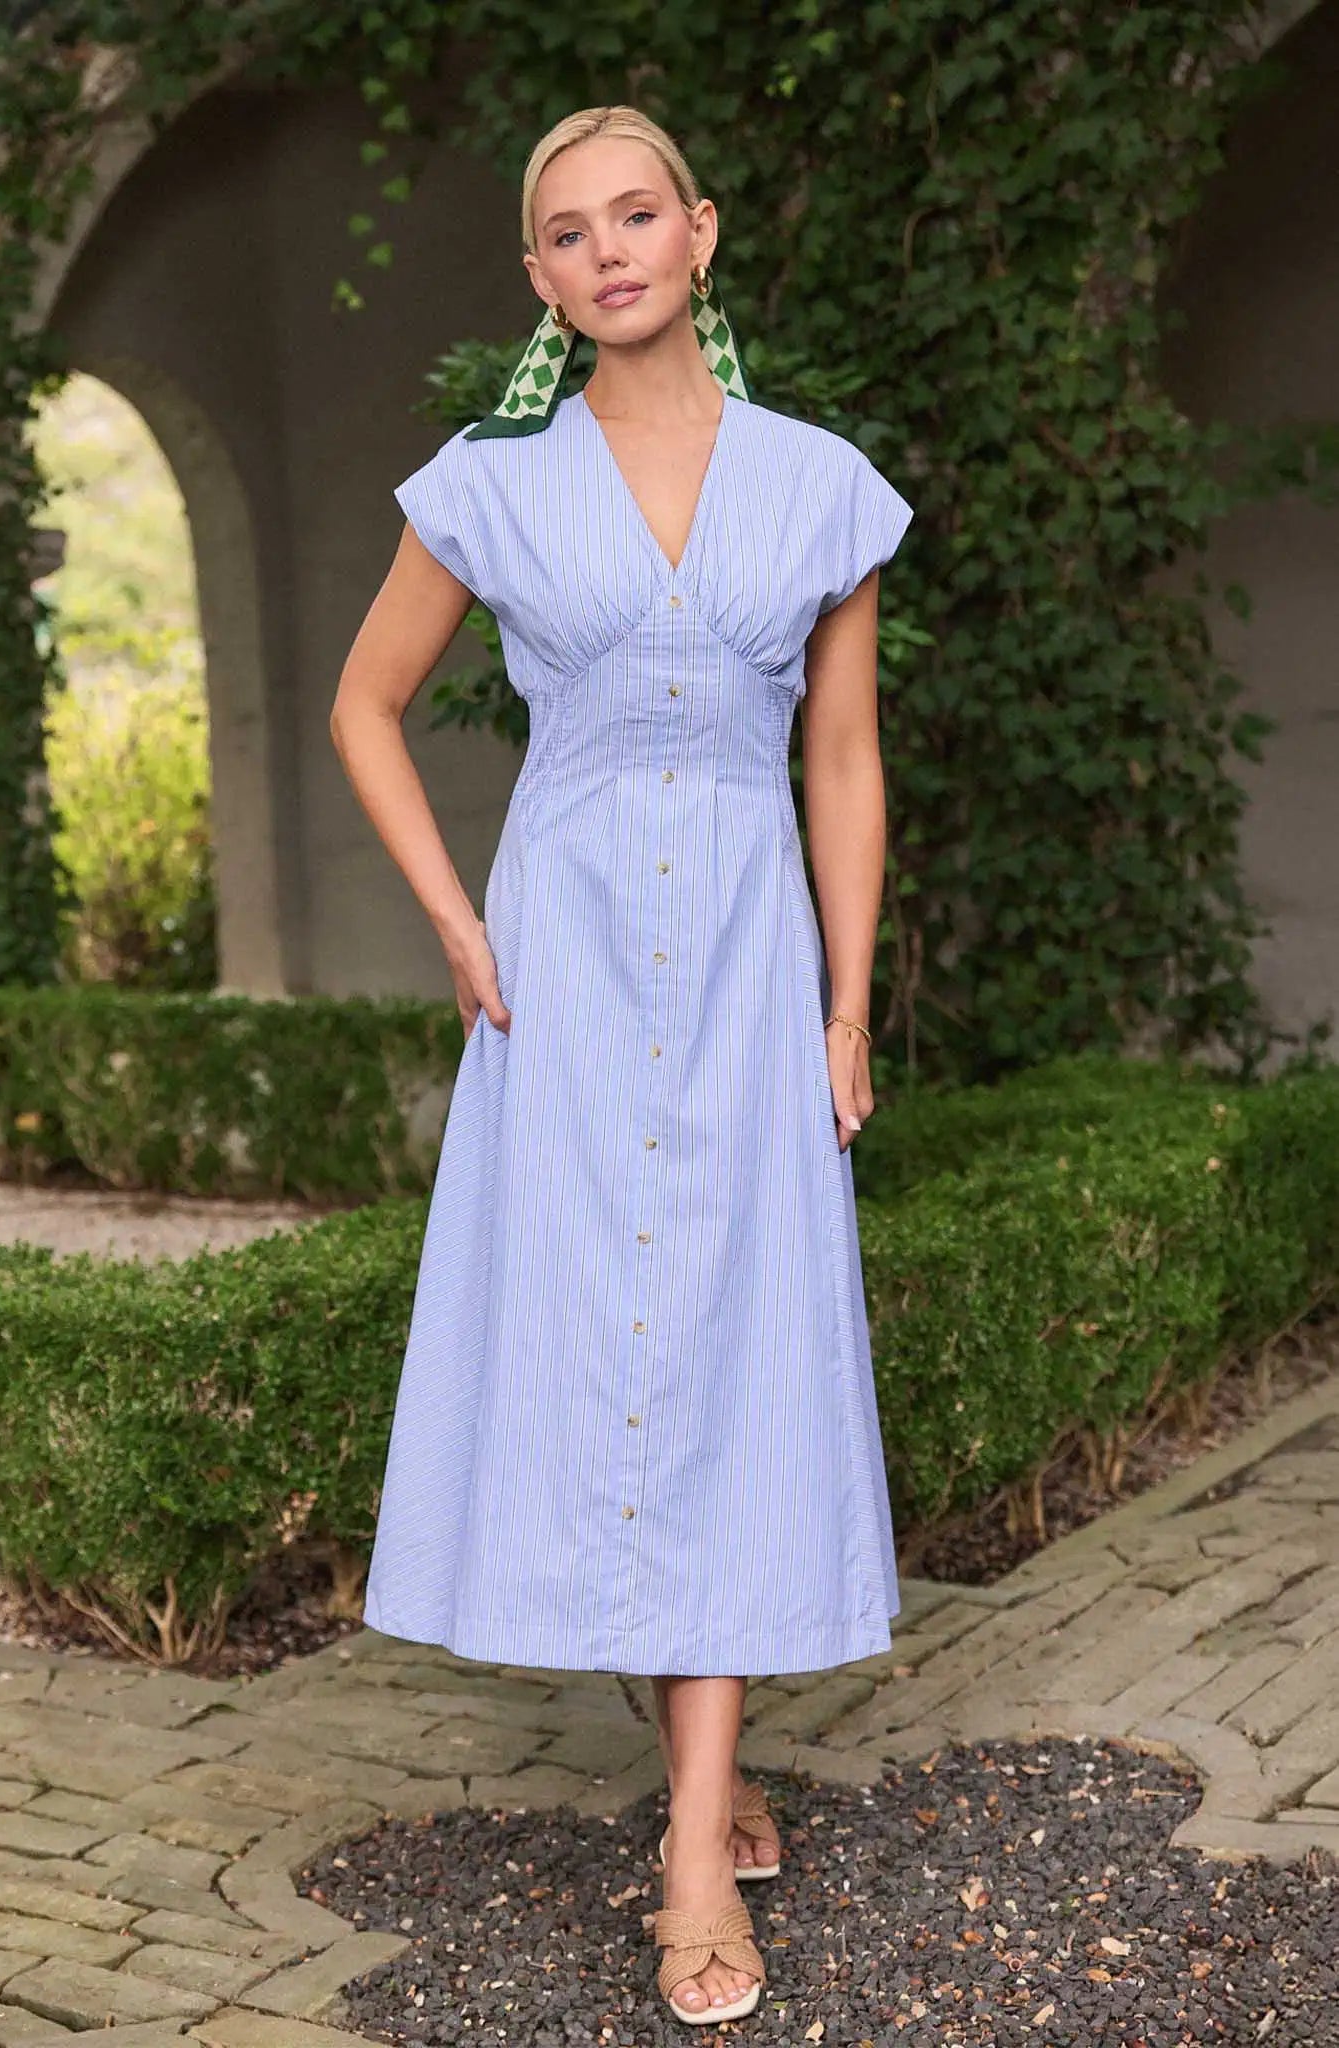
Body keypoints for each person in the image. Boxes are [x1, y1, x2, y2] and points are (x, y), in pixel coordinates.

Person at [330, 102, 914, 2027]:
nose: (609, 250)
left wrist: (843, 1006)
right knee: (603, 1358)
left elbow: (841, 757)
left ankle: (691, 1854)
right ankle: (703, 1771)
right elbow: (364, 704)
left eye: (636, 214)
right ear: (540, 278)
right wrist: (454, 919)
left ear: (699, 233)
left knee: (725, 1348)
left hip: (747, 970)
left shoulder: (818, 485)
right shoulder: (490, 487)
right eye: (569, 232)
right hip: (564, 975)